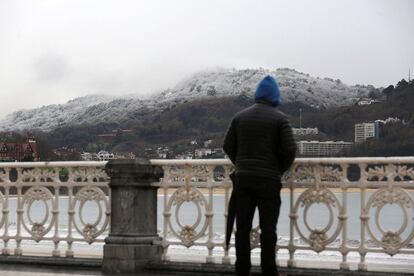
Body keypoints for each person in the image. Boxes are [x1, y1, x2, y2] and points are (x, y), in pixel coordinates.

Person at [223, 75, 296, 276]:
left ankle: (242, 270)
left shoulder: (239, 117)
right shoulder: (280, 119)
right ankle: (269, 271)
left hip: (243, 180)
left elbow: (227, 145)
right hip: (268, 181)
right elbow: (290, 150)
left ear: (257, 95)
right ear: (275, 96)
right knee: (268, 229)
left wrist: (241, 163)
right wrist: (278, 169)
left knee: (243, 228)